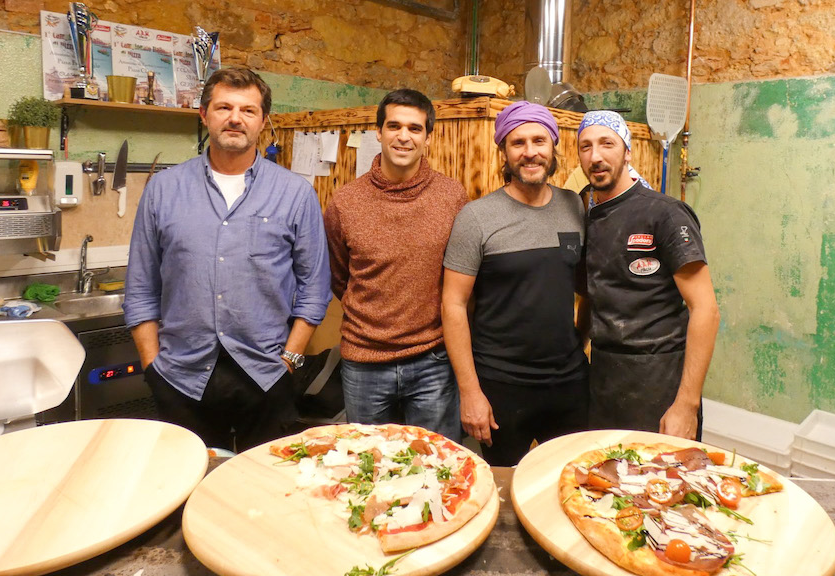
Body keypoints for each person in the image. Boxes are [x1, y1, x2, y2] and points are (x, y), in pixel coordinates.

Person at [123, 67, 331, 452]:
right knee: (184, 489)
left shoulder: (295, 194)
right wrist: (153, 367)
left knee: (264, 491)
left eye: (248, 111)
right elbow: (140, 288)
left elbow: (315, 289)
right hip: (180, 378)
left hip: (267, 376)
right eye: (224, 107)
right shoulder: (164, 190)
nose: (236, 118)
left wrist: (290, 360)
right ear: (204, 115)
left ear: (263, 122)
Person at [442, 101, 589, 466]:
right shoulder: (476, 217)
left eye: (539, 140)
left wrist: (579, 345)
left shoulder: (575, 207)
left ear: (553, 147)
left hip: (569, 384)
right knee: (503, 492)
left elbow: (587, 289)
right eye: (517, 142)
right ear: (504, 153)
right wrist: (471, 391)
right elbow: (453, 305)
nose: (530, 152)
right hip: (501, 387)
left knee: (572, 484)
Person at [323, 89, 467, 441]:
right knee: (369, 470)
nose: (404, 136)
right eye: (394, 126)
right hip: (364, 362)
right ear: (379, 132)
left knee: (436, 465)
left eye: (415, 129)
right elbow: (339, 275)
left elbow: (461, 279)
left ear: (429, 138)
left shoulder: (453, 197)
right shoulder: (345, 202)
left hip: (432, 360)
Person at [576, 110, 720, 440]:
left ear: (628, 152)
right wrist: (576, 348)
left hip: (660, 382)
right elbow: (592, 293)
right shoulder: (586, 214)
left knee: (661, 485)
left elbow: (706, 311)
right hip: (604, 379)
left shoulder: (665, 214)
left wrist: (686, 405)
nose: (595, 156)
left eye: (606, 144)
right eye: (585, 147)